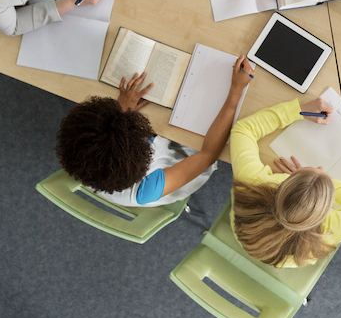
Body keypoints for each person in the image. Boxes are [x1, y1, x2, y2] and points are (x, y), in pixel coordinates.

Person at [55, 57, 252, 207]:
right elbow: (207, 155)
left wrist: (120, 108)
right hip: (186, 160)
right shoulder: (147, 189)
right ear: (144, 145)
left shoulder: (80, 151)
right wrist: (235, 92)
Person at [230, 96, 341, 267]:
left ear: (284, 184)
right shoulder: (329, 230)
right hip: (275, 255)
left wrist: (299, 110)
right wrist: (319, 185)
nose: (319, 168)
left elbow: (243, 130)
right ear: (326, 210)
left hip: (249, 234)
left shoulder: (254, 183)